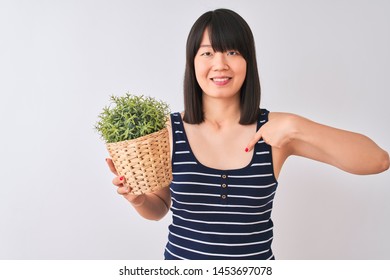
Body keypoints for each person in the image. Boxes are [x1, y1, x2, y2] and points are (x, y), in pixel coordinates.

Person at [106, 9, 389, 260]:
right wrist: (139, 200)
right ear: (192, 63)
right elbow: (160, 207)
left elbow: (377, 161)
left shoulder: (276, 130)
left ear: (248, 61)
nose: (220, 64)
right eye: (207, 52)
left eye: (232, 52)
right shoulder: (168, 132)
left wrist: (295, 124)